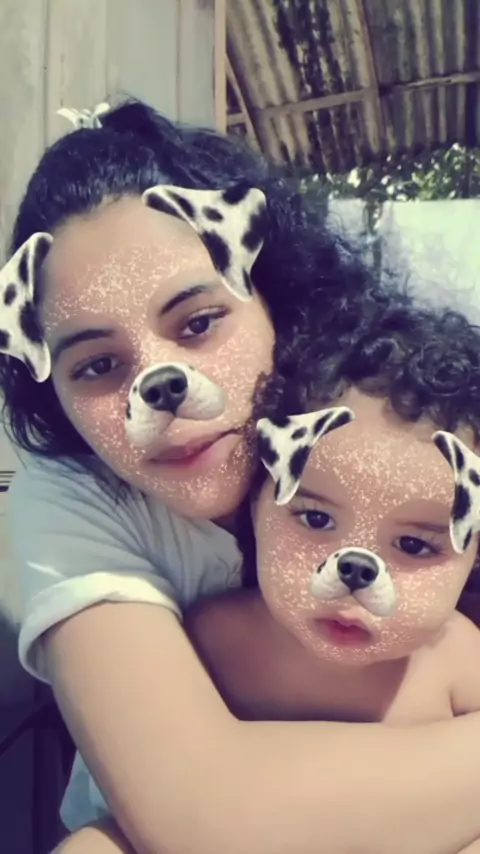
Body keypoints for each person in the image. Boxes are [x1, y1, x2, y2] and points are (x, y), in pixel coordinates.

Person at [3, 98, 480, 854]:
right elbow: (200, 817)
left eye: (198, 323)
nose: (156, 387)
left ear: (274, 296)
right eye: (96, 365)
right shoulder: (78, 502)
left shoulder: (399, 433)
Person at [185, 296, 480, 736]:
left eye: (414, 544)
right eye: (316, 520)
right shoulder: (208, 642)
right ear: (255, 503)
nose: (354, 574)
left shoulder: (460, 665)